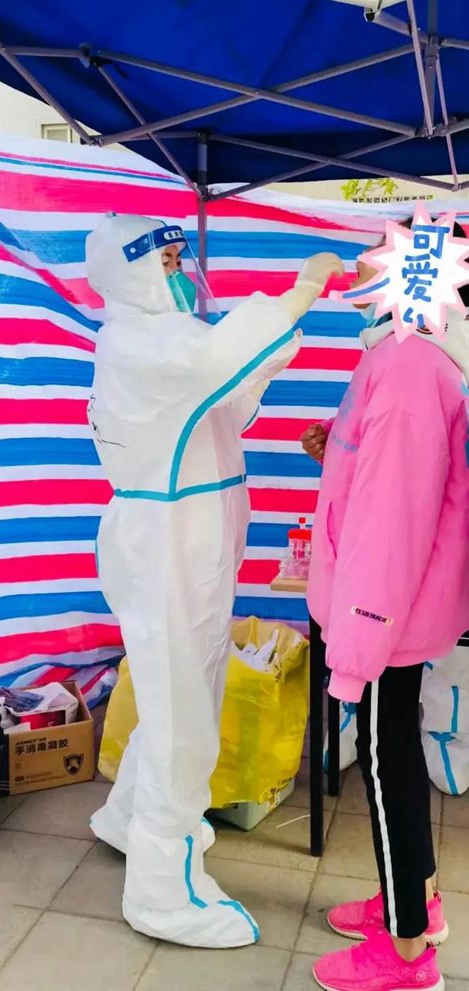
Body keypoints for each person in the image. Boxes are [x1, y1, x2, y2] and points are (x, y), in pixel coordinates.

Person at [86, 213, 343, 948]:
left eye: (179, 259)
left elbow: (226, 392)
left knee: (178, 694)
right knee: (184, 719)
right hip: (167, 545)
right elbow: (217, 359)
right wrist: (299, 293)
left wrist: (269, 342)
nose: (178, 273)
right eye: (166, 261)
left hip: (183, 541)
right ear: (131, 270)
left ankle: (129, 817)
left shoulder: (163, 342)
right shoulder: (143, 343)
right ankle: (163, 893)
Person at [303, 218, 469, 991]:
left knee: (383, 755)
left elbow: (389, 525)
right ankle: (416, 901)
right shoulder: (413, 360)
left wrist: (359, 638)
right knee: (393, 744)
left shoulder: (405, 370)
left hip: (383, 614)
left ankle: (407, 951)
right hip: (401, 608)